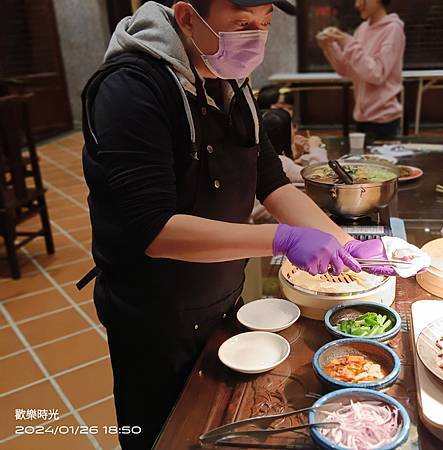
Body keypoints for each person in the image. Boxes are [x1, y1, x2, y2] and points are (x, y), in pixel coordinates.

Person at [79, 1, 395, 448]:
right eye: (242, 24)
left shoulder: (230, 80)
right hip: (155, 314)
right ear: (188, 17)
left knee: (217, 425)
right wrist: (281, 238)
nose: (256, 37)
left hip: (222, 295)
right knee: (163, 434)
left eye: (264, 24)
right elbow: (155, 230)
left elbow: (270, 181)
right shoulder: (130, 88)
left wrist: (343, 242)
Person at [316, 0, 405, 139]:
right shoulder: (362, 28)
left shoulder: (393, 29)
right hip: (362, 119)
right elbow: (346, 70)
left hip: (385, 122)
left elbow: (377, 74)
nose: (357, 4)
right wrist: (329, 45)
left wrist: (347, 42)